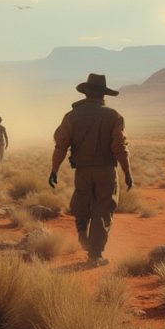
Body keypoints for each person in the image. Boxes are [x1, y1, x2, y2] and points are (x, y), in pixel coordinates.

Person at [48, 73, 133, 268]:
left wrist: (54, 170)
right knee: (104, 209)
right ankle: (95, 254)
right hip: (106, 170)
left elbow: (60, 146)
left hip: (83, 171)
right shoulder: (113, 116)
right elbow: (119, 147)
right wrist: (127, 172)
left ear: (86, 93)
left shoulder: (71, 116)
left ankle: (81, 230)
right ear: (103, 95)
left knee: (82, 201)